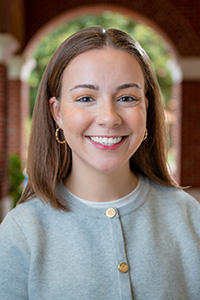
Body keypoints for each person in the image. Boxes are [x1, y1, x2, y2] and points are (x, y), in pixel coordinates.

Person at [0, 26, 199, 300]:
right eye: (85, 98)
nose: (109, 118)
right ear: (57, 113)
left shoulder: (189, 217)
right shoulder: (22, 232)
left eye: (127, 98)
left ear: (146, 109)